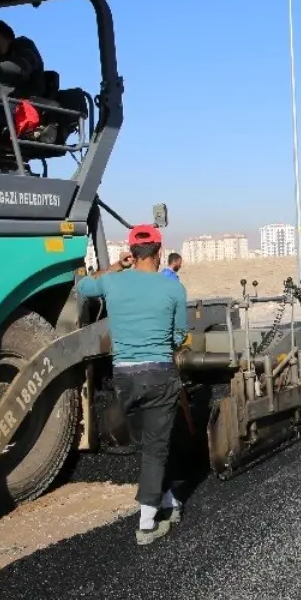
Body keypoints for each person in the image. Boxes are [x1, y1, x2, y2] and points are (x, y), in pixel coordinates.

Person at [77, 224, 189, 545]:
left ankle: (166, 497)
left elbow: (83, 287)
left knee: (149, 443)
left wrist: (115, 266)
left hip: (124, 378)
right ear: (158, 251)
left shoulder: (112, 282)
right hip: (158, 374)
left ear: (132, 252)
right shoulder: (173, 289)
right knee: (156, 447)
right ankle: (147, 524)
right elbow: (179, 335)